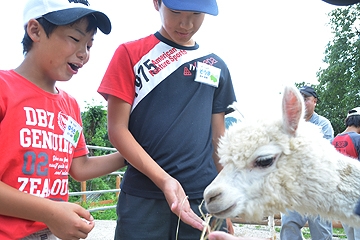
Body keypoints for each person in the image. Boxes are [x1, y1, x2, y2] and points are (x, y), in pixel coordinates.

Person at [97, 0, 237, 239]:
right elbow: (117, 130)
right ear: (156, 3)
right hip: (144, 196)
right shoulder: (130, 54)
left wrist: (225, 202)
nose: (186, 23)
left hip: (202, 199)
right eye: (175, 12)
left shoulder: (216, 66)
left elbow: (218, 140)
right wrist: (164, 180)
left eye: (196, 13)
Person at [0, 0, 126, 239]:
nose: (83, 54)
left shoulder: (70, 105)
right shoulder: (4, 89)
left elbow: (79, 167)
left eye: (89, 44)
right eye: (75, 39)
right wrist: (50, 212)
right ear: (35, 31)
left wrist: (132, 154)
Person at [280, 85, 334, 240]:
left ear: (315, 101)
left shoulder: (323, 124)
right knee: (288, 224)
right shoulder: (288, 124)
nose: (302, 102)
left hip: (318, 187)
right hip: (294, 187)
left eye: (306, 98)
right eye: (300, 98)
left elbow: (324, 153)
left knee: (321, 231)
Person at [332, 107, 360, 240]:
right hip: (357, 195)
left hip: (342, 197)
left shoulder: (334, 140)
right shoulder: (358, 139)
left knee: (350, 236)